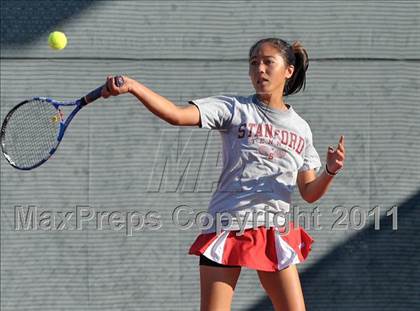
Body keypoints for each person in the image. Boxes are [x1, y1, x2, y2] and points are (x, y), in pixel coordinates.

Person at [101, 37, 345, 311]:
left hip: (273, 230)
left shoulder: (301, 129)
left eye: (268, 62)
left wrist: (330, 170)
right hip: (228, 225)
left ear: (288, 70)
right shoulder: (234, 108)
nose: (260, 69)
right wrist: (134, 86)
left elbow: (309, 192)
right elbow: (176, 115)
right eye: (254, 63)